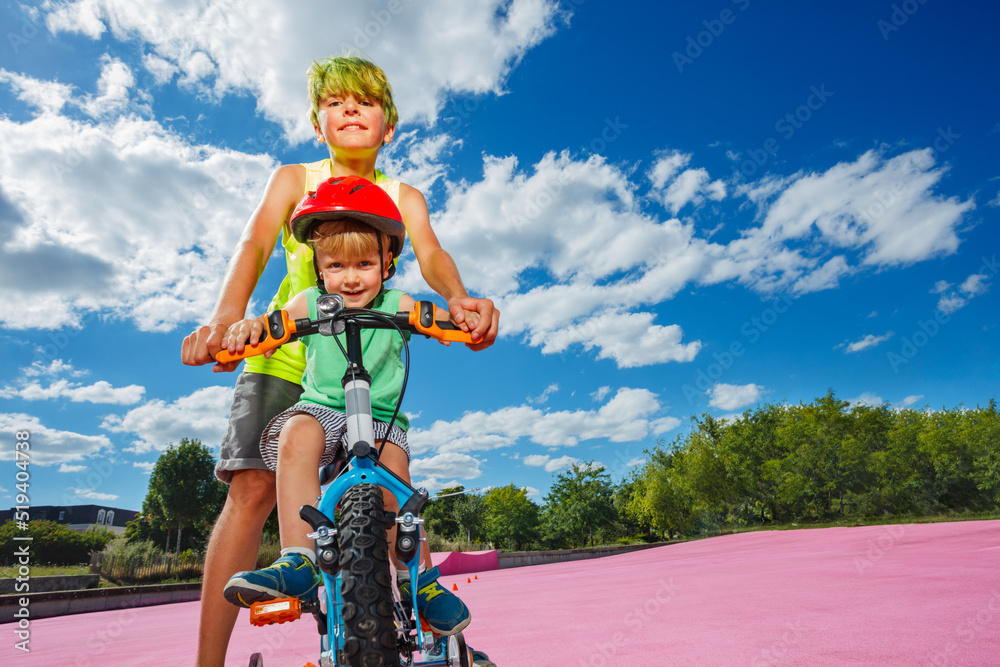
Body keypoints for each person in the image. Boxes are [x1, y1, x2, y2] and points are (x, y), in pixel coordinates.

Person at [181, 56, 498, 667]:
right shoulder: (294, 179)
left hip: (366, 359)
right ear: (318, 123)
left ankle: (419, 601)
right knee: (251, 488)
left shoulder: (401, 196)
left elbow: (429, 253)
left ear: (390, 127)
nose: (350, 109)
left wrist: (459, 300)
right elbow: (253, 242)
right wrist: (226, 322)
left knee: (388, 480)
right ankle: (212, 658)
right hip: (286, 349)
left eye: (366, 101)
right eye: (335, 102)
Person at [222, 175, 472, 641]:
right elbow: (270, 325)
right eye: (335, 265)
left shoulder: (400, 304)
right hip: (323, 410)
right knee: (297, 434)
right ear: (318, 267)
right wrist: (246, 330)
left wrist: (461, 320)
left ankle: (417, 580)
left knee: (397, 479)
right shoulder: (309, 302)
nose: (351, 277)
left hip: (381, 420)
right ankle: (298, 559)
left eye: (364, 263)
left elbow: (440, 320)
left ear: (388, 261)